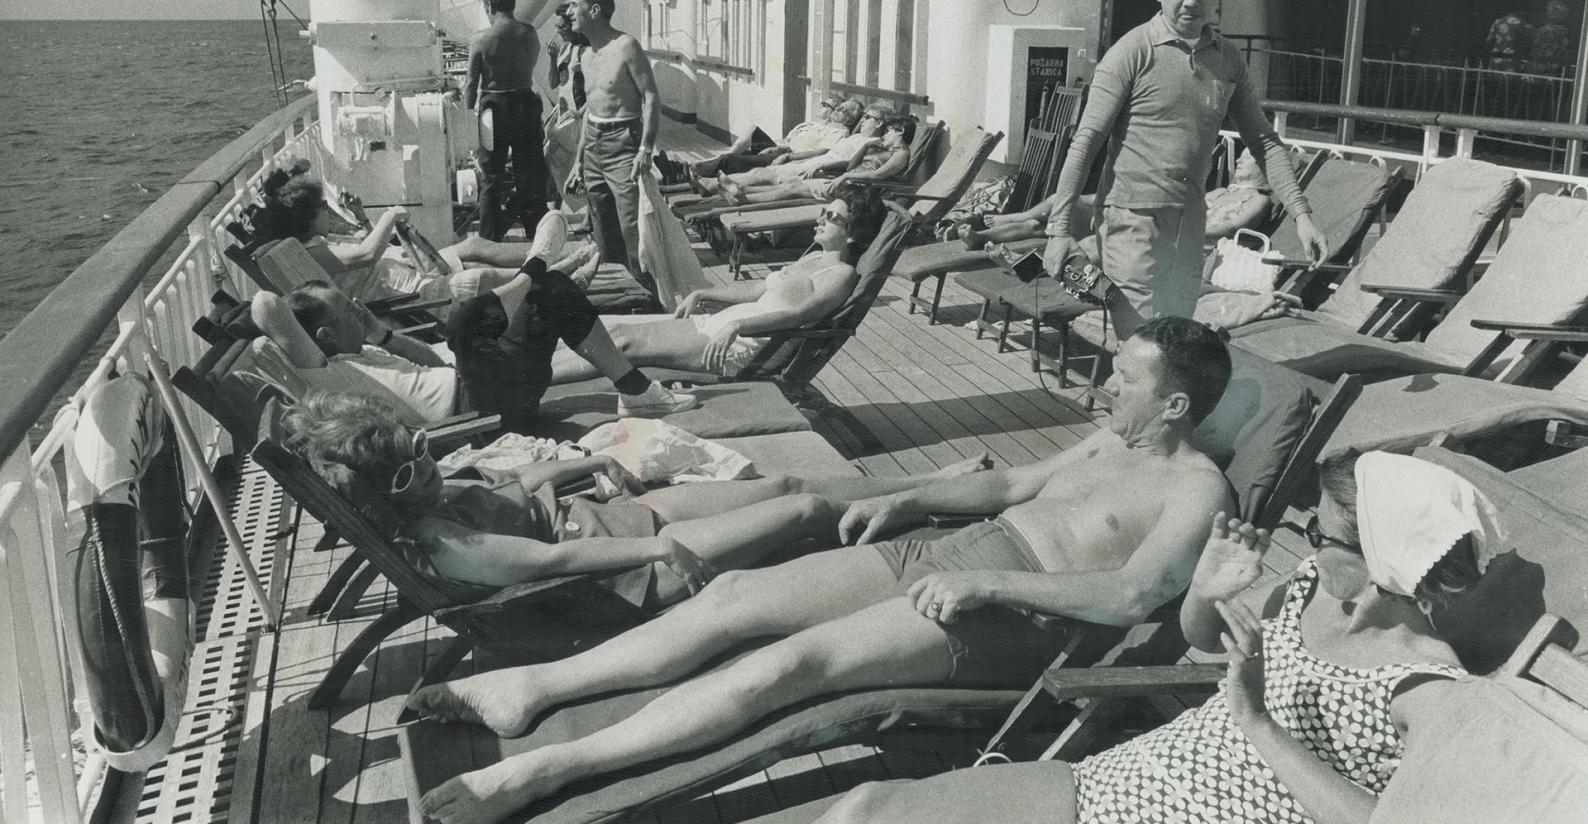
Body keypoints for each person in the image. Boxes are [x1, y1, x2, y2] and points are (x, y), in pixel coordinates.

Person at [406, 316, 1238, 824]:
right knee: (733, 595)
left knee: (791, 665)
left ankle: (543, 770)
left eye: (1124, 379)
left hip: (1015, 609)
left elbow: (1133, 596)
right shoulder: (1110, 437)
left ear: (1174, 404)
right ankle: (537, 686)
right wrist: (913, 497)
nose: (1104, 383)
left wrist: (992, 585)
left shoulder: (1199, 490)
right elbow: (1017, 482)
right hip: (957, 550)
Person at [814, 449, 1504, 824]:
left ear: (1386, 562)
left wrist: (1260, 726)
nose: (1311, 545)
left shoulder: (1427, 690)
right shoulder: (1311, 589)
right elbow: (1205, 637)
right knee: (869, 808)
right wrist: (1206, 591)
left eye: (1324, 536)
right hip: (1128, 780)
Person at [283, 388, 991, 607]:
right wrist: (655, 543)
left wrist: (590, 458)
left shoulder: (434, 491)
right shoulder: (444, 543)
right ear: (384, 501)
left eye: (421, 450)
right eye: (408, 475)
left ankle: (936, 485)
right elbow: (545, 563)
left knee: (780, 485)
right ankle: (949, 512)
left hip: (603, 519)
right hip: (619, 568)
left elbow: (521, 487)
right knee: (803, 515)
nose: (427, 469)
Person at [1042, 0, 1326, 340]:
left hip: (1191, 224)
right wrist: (1058, 232)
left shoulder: (1227, 58)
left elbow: (1263, 141)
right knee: (1139, 348)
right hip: (1132, 224)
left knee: (1174, 344)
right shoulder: (1132, 52)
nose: (1191, 0)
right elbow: (1086, 142)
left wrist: (1303, 216)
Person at [249, 255, 696, 431]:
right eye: (346, 309)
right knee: (465, 321)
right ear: (323, 337)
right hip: (477, 413)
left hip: (488, 388)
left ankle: (636, 392)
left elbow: (430, 362)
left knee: (554, 293)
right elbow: (266, 304)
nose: (356, 306)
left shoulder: (359, 352)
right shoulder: (326, 374)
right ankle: (531, 270)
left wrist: (380, 334)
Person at [551, 194, 877, 381]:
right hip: (723, 327)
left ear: (852, 233)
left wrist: (738, 324)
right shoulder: (811, 258)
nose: (820, 219)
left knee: (622, 344)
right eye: (823, 212)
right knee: (608, 327)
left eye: (832, 217)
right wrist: (703, 293)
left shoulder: (840, 273)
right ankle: (525, 366)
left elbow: (800, 313)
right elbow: (756, 291)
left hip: (744, 345)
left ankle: (529, 382)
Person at [255, 168, 599, 301]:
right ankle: (561, 272)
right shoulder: (315, 253)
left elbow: (362, 247)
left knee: (474, 246)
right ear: (307, 219)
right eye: (321, 211)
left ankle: (556, 259)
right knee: (483, 275)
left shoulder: (318, 246)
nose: (327, 215)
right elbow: (364, 256)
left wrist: (361, 218)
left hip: (408, 272)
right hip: (407, 293)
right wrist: (389, 215)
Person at [568, 0, 659, 285]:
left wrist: (645, 149)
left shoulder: (625, 46)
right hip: (593, 144)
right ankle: (623, 291)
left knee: (633, 228)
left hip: (624, 143)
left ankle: (650, 295)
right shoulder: (584, 56)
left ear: (594, 10)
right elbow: (591, 112)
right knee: (602, 228)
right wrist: (578, 161)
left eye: (574, 5)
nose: (568, 12)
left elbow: (650, 96)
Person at [466, 0, 548, 242]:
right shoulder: (529, 34)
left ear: (489, 5)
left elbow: (471, 83)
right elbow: (530, 65)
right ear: (512, 3)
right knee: (530, 173)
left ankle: (488, 238)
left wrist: (468, 118)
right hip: (525, 105)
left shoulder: (481, 39)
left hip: (494, 110)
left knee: (492, 177)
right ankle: (536, 233)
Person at [719, 112, 916, 205]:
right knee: (791, 182)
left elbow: (879, 176)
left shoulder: (900, 155)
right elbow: (851, 167)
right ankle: (741, 190)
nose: (885, 135)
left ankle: (743, 199)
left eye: (889, 132)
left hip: (857, 192)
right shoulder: (879, 148)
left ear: (900, 132)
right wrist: (864, 146)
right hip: (847, 182)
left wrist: (844, 178)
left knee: (792, 187)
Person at [696, 103, 890, 196]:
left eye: (867, 118)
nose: (863, 121)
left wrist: (817, 165)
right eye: (863, 117)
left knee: (764, 174)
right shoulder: (857, 136)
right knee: (759, 172)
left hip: (820, 169)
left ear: (879, 122)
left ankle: (712, 185)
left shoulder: (873, 143)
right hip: (807, 163)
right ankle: (714, 184)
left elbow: (849, 166)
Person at [689, 96, 865, 180]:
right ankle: (695, 171)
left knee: (730, 160)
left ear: (850, 119)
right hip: (782, 149)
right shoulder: (823, 125)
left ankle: (694, 173)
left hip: (788, 157)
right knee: (748, 137)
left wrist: (786, 155)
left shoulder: (839, 133)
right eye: (837, 108)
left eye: (841, 109)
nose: (836, 110)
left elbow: (821, 151)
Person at [1527, 0, 1575, 75]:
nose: (1547, 13)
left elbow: (1537, 46)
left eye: (1549, 11)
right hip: (1549, 64)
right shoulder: (1566, 31)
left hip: (1548, 64)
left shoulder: (1545, 30)